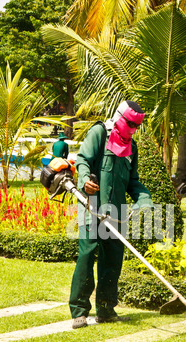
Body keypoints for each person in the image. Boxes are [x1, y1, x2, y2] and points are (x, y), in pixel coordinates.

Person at [69, 100, 154, 329]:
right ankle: (79, 311)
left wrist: (144, 199)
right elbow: (83, 160)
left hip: (116, 214)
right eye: (130, 124)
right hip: (92, 208)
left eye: (136, 126)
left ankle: (106, 310)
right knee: (87, 256)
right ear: (119, 117)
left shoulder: (131, 148)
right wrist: (86, 180)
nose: (133, 130)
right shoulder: (99, 133)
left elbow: (133, 182)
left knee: (112, 261)